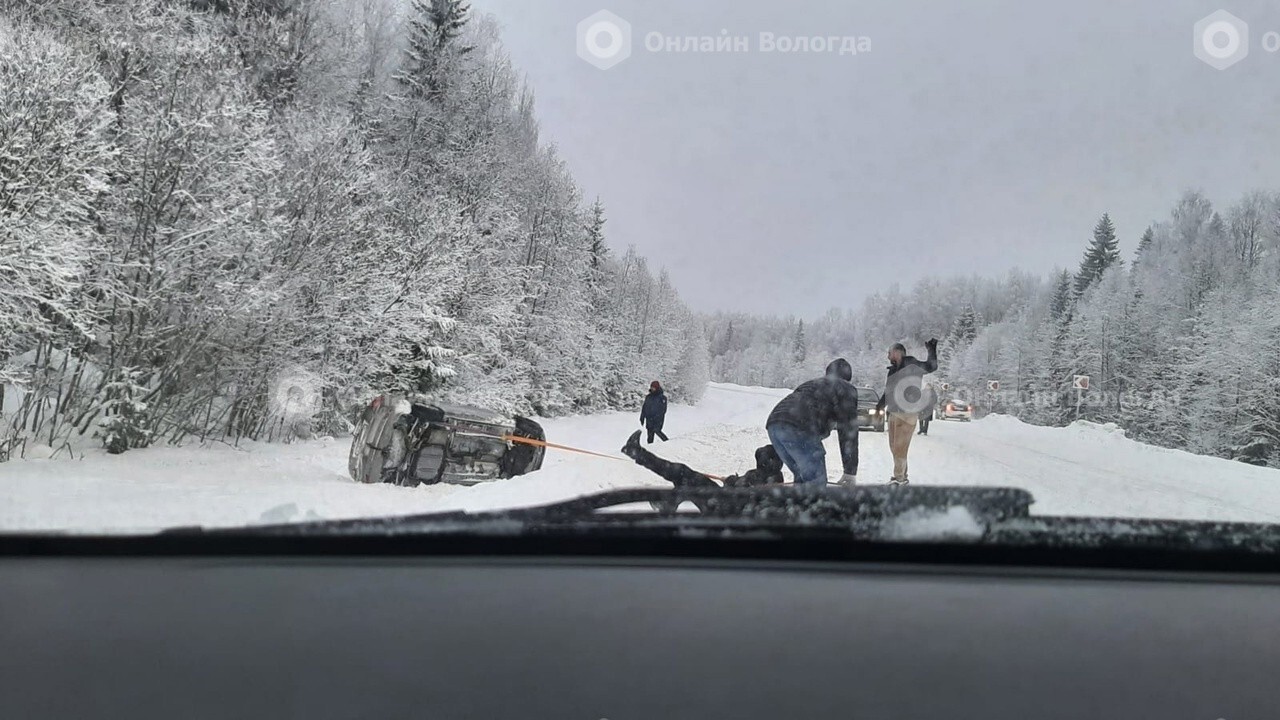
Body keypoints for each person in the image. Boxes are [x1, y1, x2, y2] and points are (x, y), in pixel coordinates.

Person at [763, 358, 860, 487]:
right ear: (847, 377)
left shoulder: (812, 383)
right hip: (799, 428)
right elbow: (848, 430)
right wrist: (850, 471)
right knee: (815, 483)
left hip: (774, 425)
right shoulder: (845, 388)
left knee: (802, 480)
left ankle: (798, 505)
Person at [621, 430, 784, 489]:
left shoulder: (762, 476)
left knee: (682, 473)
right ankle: (636, 452)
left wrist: (730, 480)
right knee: (684, 475)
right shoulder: (775, 477)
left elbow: (740, 485)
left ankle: (636, 452)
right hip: (728, 506)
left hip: (723, 508)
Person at [875, 340, 939, 485]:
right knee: (894, 447)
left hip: (907, 412)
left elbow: (931, 366)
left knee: (900, 447)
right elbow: (888, 391)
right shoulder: (892, 370)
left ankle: (899, 478)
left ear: (897, 352)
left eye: (889, 353)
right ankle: (903, 476)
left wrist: (931, 349)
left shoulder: (912, 365)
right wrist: (880, 406)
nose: (888, 357)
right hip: (892, 412)